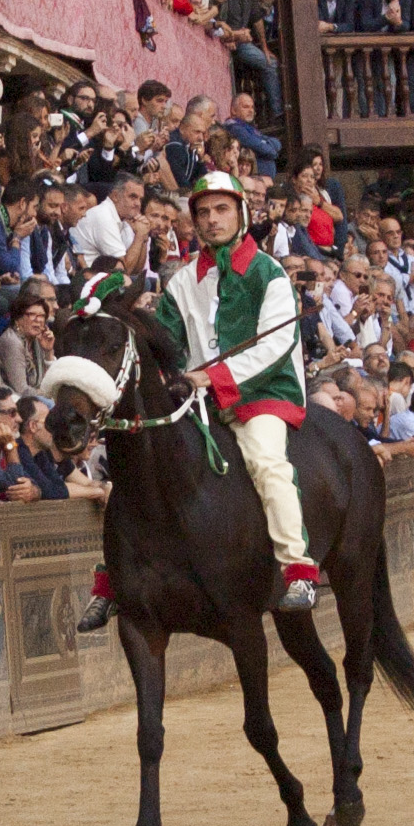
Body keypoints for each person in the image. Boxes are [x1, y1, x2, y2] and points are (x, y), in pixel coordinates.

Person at [151, 171, 321, 607]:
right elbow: (166, 344)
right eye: (203, 212)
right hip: (194, 398)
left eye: (221, 209)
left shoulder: (271, 274)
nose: (211, 219)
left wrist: (213, 377)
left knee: (267, 462)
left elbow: (276, 346)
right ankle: (118, 577)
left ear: (242, 212)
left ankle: (298, 569)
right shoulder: (181, 281)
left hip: (264, 394)